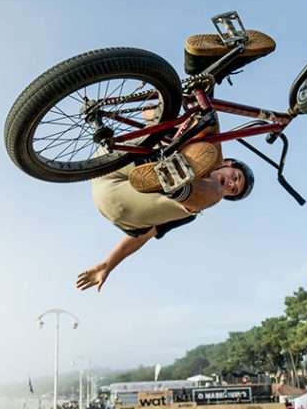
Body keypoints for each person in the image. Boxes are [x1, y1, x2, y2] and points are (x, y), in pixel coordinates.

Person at [78, 122, 254, 292]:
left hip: (119, 201)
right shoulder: (207, 152)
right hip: (115, 161)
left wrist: (108, 264)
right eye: (236, 177)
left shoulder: (195, 207)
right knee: (200, 134)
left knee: (205, 198)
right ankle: (172, 178)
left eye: (233, 190)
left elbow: (142, 237)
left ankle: (174, 184)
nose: (231, 184)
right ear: (228, 164)